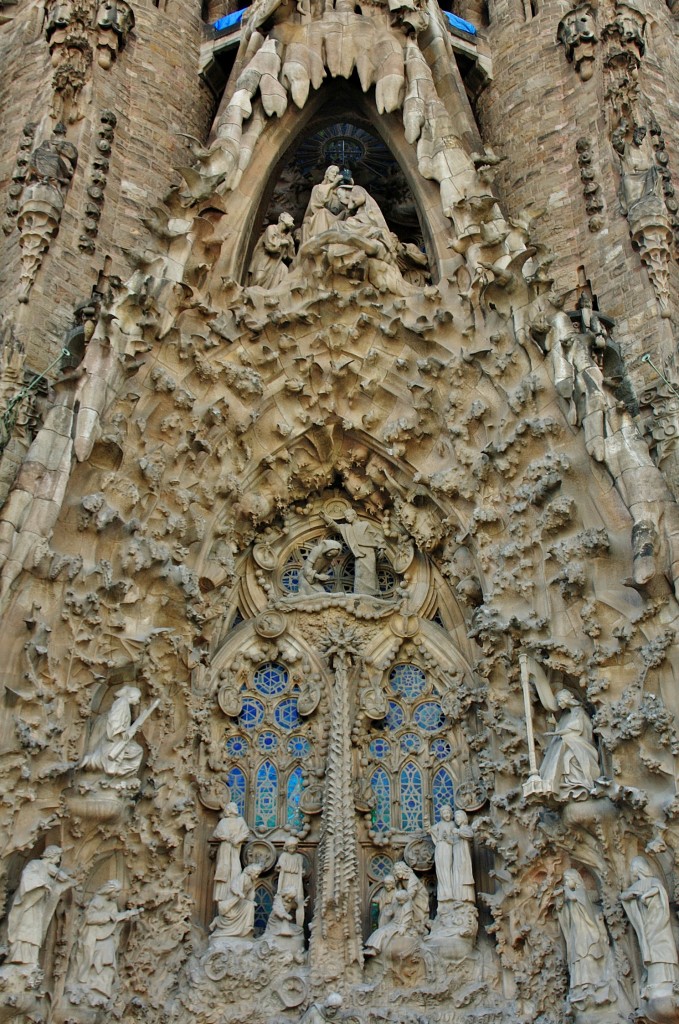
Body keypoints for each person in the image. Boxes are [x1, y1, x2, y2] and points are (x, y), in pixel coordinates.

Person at [71, 881, 142, 1002]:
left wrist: (126, 916)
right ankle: (86, 984)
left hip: (105, 936)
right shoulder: (97, 901)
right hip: (92, 936)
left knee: (108, 959)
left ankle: (101, 988)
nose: (118, 895)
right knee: (92, 957)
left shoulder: (112, 905)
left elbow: (114, 921)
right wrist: (107, 916)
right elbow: (88, 917)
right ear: (109, 890)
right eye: (117, 892)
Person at [621, 857, 679, 994]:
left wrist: (645, 896)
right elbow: (623, 896)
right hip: (647, 923)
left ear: (639, 867)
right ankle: (656, 980)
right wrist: (633, 894)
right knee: (651, 948)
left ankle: (670, 979)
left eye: (633, 867)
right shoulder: (636, 886)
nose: (631, 870)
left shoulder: (654, 881)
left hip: (659, 920)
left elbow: (658, 889)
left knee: (664, 947)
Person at [8, 846, 74, 965]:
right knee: (24, 928)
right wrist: (42, 884)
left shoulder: (50, 871)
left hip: (39, 906)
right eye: (58, 856)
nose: (58, 860)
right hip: (29, 903)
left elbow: (59, 886)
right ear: (52, 855)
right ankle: (16, 956)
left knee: (35, 931)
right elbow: (27, 877)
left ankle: (30, 959)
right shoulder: (36, 864)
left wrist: (59, 879)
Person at [555, 869, 613, 1004]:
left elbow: (573, 898)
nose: (566, 883)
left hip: (586, 932)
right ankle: (580, 986)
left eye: (568, 880)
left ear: (575, 880)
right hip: (577, 932)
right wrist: (560, 906)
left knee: (586, 956)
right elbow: (566, 914)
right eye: (565, 881)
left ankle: (592, 984)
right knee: (578, 958)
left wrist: (564, 890)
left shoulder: (580, 893)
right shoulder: (570, 897)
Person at [81, 686, 158, 778]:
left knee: (134, 751)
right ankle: (93, 761)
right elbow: (115, 719)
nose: (137, 702)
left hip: (116, 734)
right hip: (115, 734)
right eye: (137, 698)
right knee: (130, 752)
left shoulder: (124, 703)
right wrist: (122, 732)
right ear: (132, 696)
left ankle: (113, 769)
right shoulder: (122, 702)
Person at [539, 690, 600, 801]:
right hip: (572, 742)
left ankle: (580, 782)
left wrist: (554, 733)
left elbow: (576, 728)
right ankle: (563, 783)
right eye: (558, 702)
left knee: (567, 749)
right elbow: (565, 729)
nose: (559, 704)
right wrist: (556, 725)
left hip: (580, 744)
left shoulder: (578, 711)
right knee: (564, 750)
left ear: (568, 699)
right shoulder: (566, 715)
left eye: (560, 701)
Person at [320, 508, 385, 595]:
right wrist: (325, 517)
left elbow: (375, 535)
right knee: (360, 573)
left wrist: (382, 547)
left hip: (368, 551)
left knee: (370, 572)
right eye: (345, 516)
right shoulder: (347, 528)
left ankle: (372, 592)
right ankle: (362, 593)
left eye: (348, 516)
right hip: (358, 553)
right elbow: (336, 527)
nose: (347, 518)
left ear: (354, 515)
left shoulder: (365, 524)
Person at [209, 864, 262, 940]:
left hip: (241, 900)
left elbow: (251, 892)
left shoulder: (252, 881)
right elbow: (234, 886)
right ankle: (218, 921)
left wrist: (251, 900)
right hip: (234, 900)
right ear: (251, 872)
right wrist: (239, 893)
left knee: (250, 905)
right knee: (232, 914)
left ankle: (247, 928)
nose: (257, 876)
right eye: (256, 874)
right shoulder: (243, 877)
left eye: (258, 874)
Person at [212, 802, 251, 901]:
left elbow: (246, 832)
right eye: (233, 807)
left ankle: (235, 891)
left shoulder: (240, 821)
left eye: (236, 806)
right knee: (224, 868)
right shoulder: (223, 822)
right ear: (228, 809)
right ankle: (222, 895)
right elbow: (216, 833)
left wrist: (237, 839)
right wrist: (224, 837)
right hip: (225, 847)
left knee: (235, 869)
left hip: (235, 847)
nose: (236, 808)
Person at [248, 212, 296, 288]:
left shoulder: (287, 236)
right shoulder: (271, 228)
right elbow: (270, 245)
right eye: (289, 217)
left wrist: (290, 243)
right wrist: (283, 242)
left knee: (284, 271)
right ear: (282, 219)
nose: (292, 219)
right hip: (264, 258)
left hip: (277, 262)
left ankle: (270, 296)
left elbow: (290, 256)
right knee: (259, 277)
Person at [300, 165, 344, 244]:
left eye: (337, 173)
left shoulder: (340, 191)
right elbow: (318, 203)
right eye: (332, 172)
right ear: (327, 174)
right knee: (322, 212)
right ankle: (322, 244)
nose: (334, 174)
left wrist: (350, 186)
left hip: (337, 218)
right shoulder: (318, 188)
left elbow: (346, 206)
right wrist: (332, 185)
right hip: (320, 217)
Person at [275, 837, 305, 927]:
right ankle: (282, 923)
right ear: (286, 847)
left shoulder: (299, 856)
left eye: (293, 848)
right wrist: (278, 867)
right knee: (285, 898)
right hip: (286, 878)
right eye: (290, 848)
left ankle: (298, 925)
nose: (291, 850)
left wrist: (302, 872)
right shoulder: (284, 855)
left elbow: (300, 868)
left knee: (297, 899)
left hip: (296, 878)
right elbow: (279, 866)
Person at [393, 861, 429, 933]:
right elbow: (398, 891)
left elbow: (411, 893)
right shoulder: (401, 879)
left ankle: (419, 927)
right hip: (408, 897)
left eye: (399, 870)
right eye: (396, 871)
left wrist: (404, 897)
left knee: (418, 914)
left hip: (419, 898)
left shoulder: (412, 878)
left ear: (404, 869)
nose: (397, 872)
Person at [428, 805, 455, 902]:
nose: (446, 815)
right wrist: (427, 823)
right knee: (440, 870)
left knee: (447, 869)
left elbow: (455, 839)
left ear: (451, 814)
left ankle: (449, 893)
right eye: (444, 813)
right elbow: (430, 830)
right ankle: (442, 893)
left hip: (448, 848)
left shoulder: (452, 824)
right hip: (440, 847)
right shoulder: (439, 824)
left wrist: (448, 838)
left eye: (448, 813)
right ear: (441, 815)